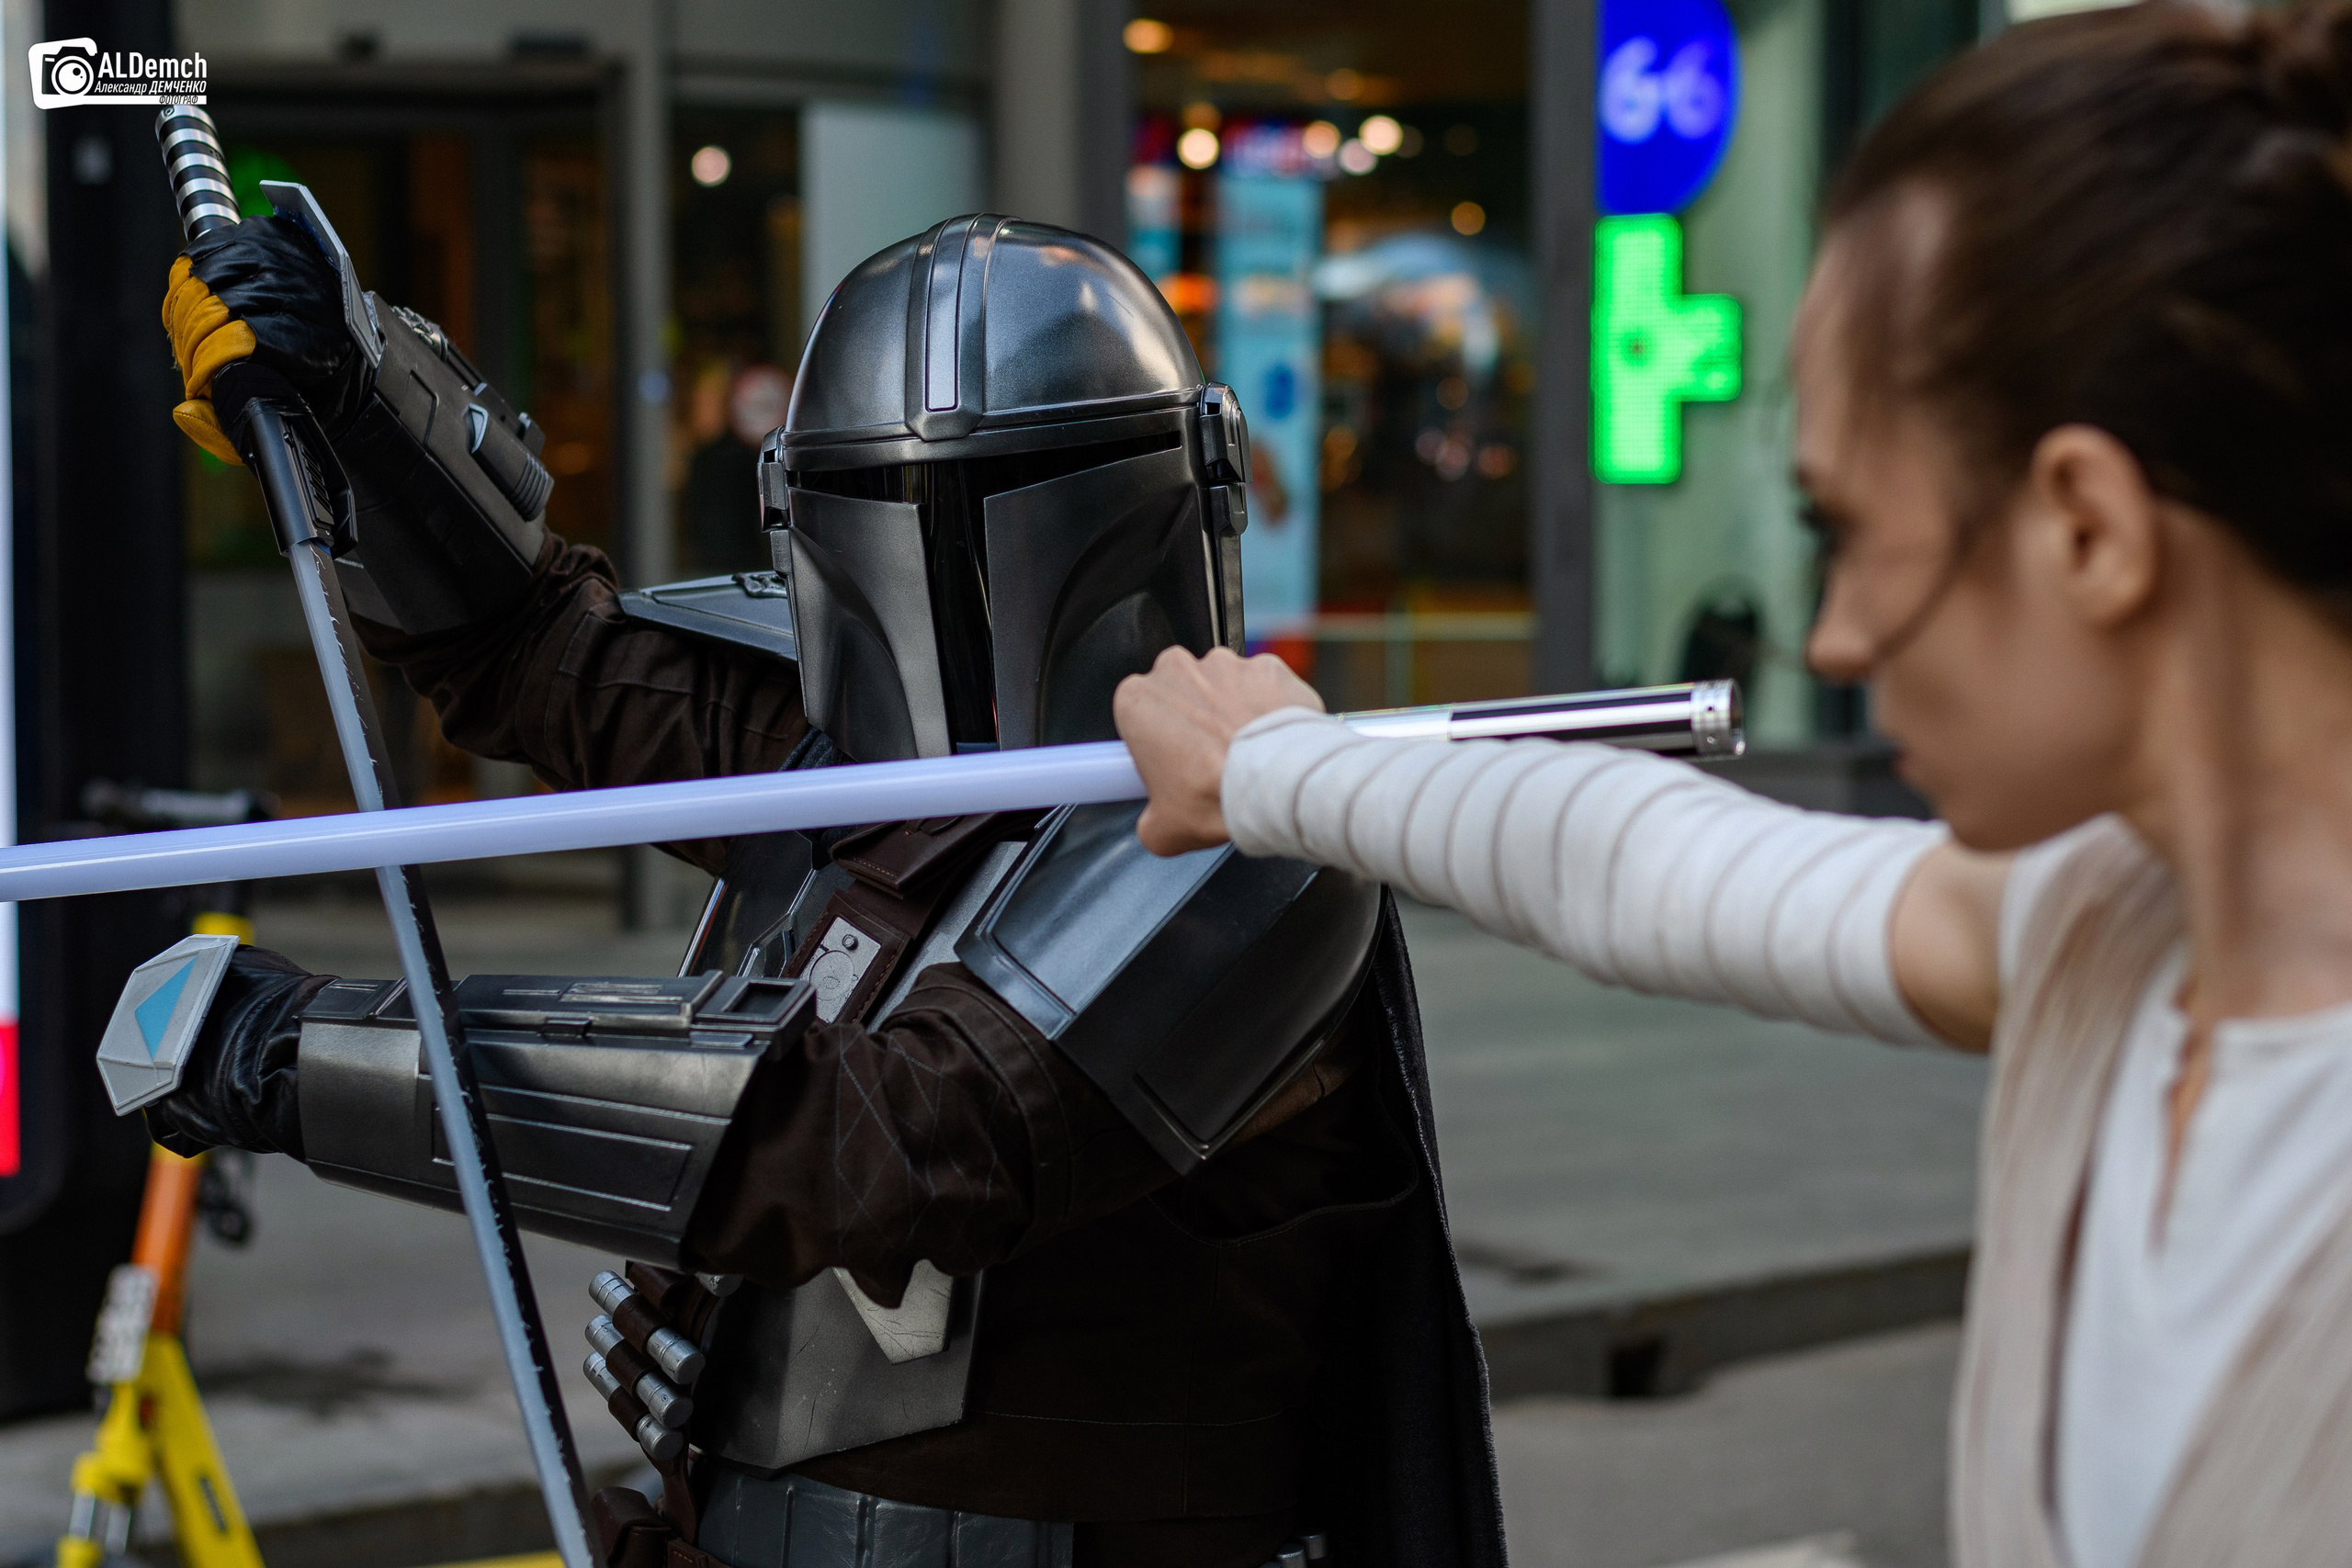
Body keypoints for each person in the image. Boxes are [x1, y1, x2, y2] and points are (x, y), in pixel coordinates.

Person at [1115, 5, 2352, 1565]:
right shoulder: (2101, 926)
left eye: (1849, 528)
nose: (1831, 631)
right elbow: (1647, 866)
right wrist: (1273, 769)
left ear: (2089, 530)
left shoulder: (2090, 937)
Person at [145, 211, 1506, 1568]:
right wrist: (352, 407)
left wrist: (311, 1056)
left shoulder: (1248, 841)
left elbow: (896, 1145)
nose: (955, 570)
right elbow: (536, 651)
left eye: (998, 506)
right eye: (897, 508)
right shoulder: (834, 759)